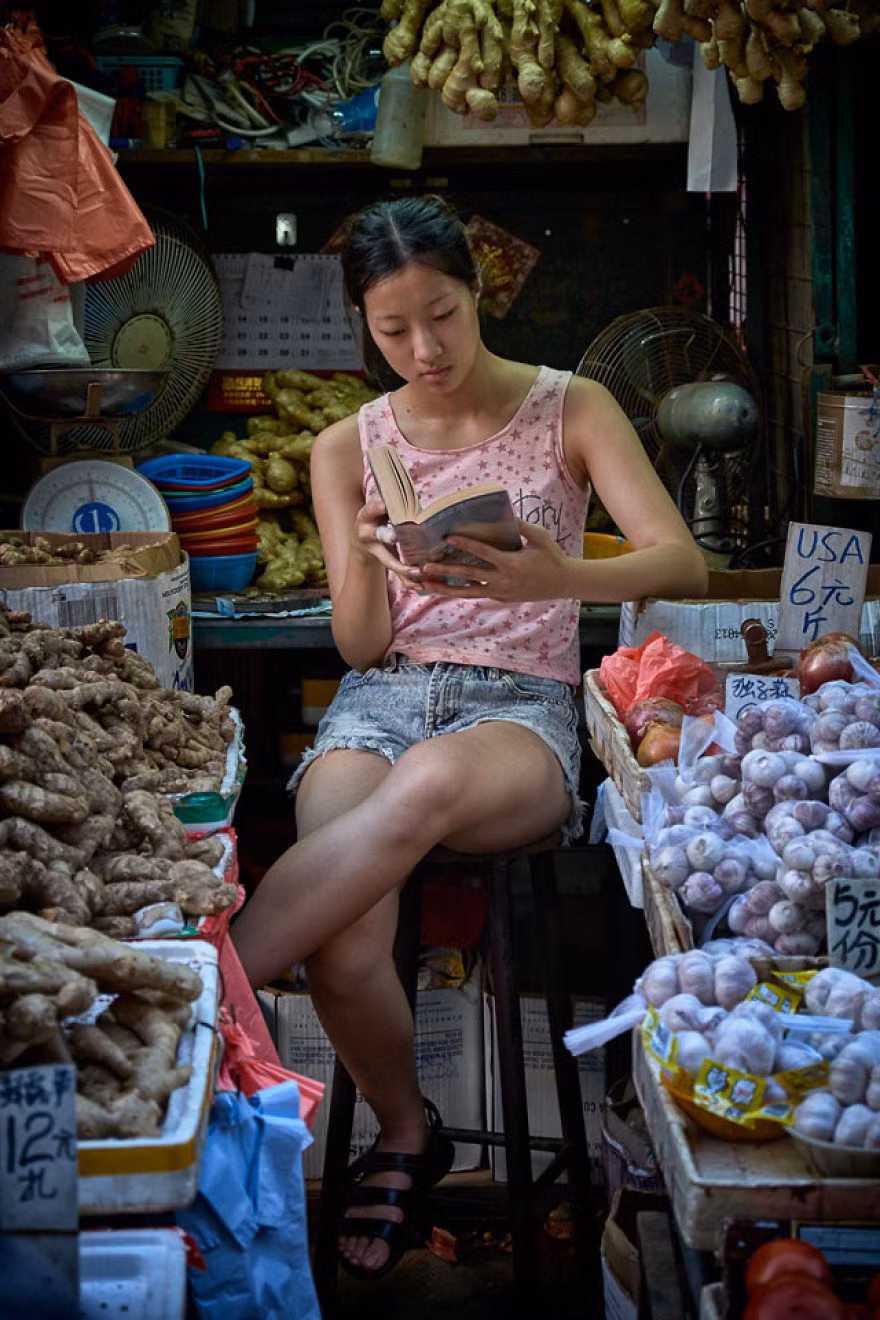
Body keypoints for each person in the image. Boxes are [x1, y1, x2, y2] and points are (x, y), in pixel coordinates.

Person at [231, 193, 708, 1281]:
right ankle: (408, 1127)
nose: (424, 348)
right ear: (365, 324)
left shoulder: (569, 405)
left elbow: (675, 560)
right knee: (348, 926)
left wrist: (561, 576)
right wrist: (355, 551)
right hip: (383, 696)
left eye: (441, 315)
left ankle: (208, 989)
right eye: (393, 330)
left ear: (477, 290)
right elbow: (357, 648)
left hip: (517, 711)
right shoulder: (346, 443)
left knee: (421, 791)